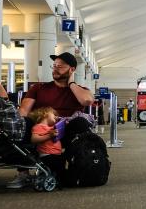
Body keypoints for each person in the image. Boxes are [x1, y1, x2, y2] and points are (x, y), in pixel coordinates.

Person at [17, 53, 93, 189]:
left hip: (66, 132)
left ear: (72, 69)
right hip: (40, 131)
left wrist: (71, 83)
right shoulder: (39, 88)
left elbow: (86, 100)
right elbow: (24, 111)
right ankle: (23, 173)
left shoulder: (80, 90)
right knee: (23, 122)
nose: (55, 69)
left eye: (61, 66)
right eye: (54, 66)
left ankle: (72, 168)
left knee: (81, 122)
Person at [27, 106, 65, 179]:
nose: (56, 117)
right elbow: (34, 139)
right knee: (58, 169)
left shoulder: (52, 127)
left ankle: (56, 178)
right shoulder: (39, 126)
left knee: (60, 168)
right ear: (45, 114)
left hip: (56, 154)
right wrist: (49, 136)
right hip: (47, 155)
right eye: (54, 114)